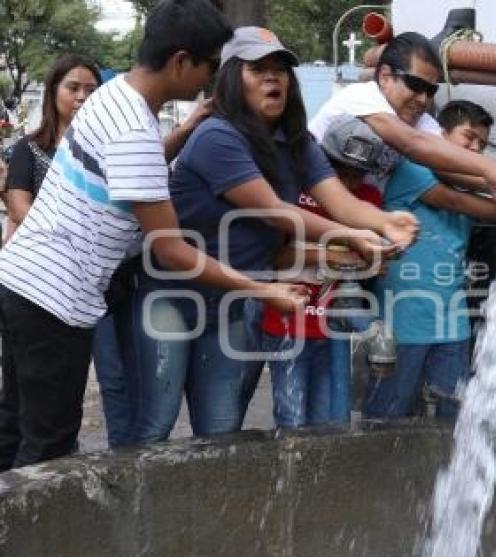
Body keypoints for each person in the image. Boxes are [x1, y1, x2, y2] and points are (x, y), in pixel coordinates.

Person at [0, 0, 305, 470]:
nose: (209, 79)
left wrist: (183, 132)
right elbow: (172, 248)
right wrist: (263, 287)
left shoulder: (113, 95)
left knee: (15, 425)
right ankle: (33, 543)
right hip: (54, 301)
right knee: (48, 447)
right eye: (207, 66)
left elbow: (123, 172)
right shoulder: (135, 133)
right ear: (181, 61)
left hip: (21, 280)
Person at [124, 27, 418, 445]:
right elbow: (275, 212)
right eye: (257, 68)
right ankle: (137, 510)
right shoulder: (216, 136)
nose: (273, 77)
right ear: (230, 78)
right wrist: (353, 236)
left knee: (222, 428)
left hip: (234, 300)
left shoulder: (298, 143)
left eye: (280, 69)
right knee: (158, 420)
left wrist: (383, 225)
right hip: (171, 293)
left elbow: (341, 203)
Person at [364, 100, 496, 419]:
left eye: (482, 144)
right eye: (468, 137)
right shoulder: (412, 169)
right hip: (402, 320)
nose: (475, 148)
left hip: (451, 319)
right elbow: (453, 201)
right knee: (388, 414)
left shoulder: (463, 179)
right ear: (441, 133)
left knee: (455, 417)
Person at [249, 114, 395, 427]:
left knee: (328, 420)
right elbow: (277, 256)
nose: (350, 183)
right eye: (342, 171)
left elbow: (376, 265)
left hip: (334, 323)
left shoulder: (369, 201)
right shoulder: (294, 192)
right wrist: (335, 257)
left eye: (359, 174)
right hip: (289, 322)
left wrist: (377, 260)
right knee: (292, 418)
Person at [309, 32, 496, 217]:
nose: (423, 99)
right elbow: (412, 144)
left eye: (431, 90)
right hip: (305, 205)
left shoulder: (417, 120)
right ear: (385, 76)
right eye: (415, 85)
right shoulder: (361, 96)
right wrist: (491, 168)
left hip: (352, 217)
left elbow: (446, 164)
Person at [1, 55, 101, 242]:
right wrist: (69, 233)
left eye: (91, 90)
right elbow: (18, 208)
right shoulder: (29, 148)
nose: (82, 97)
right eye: (73, 88)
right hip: (41, 253)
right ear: (53, 92)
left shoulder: (105, 150)